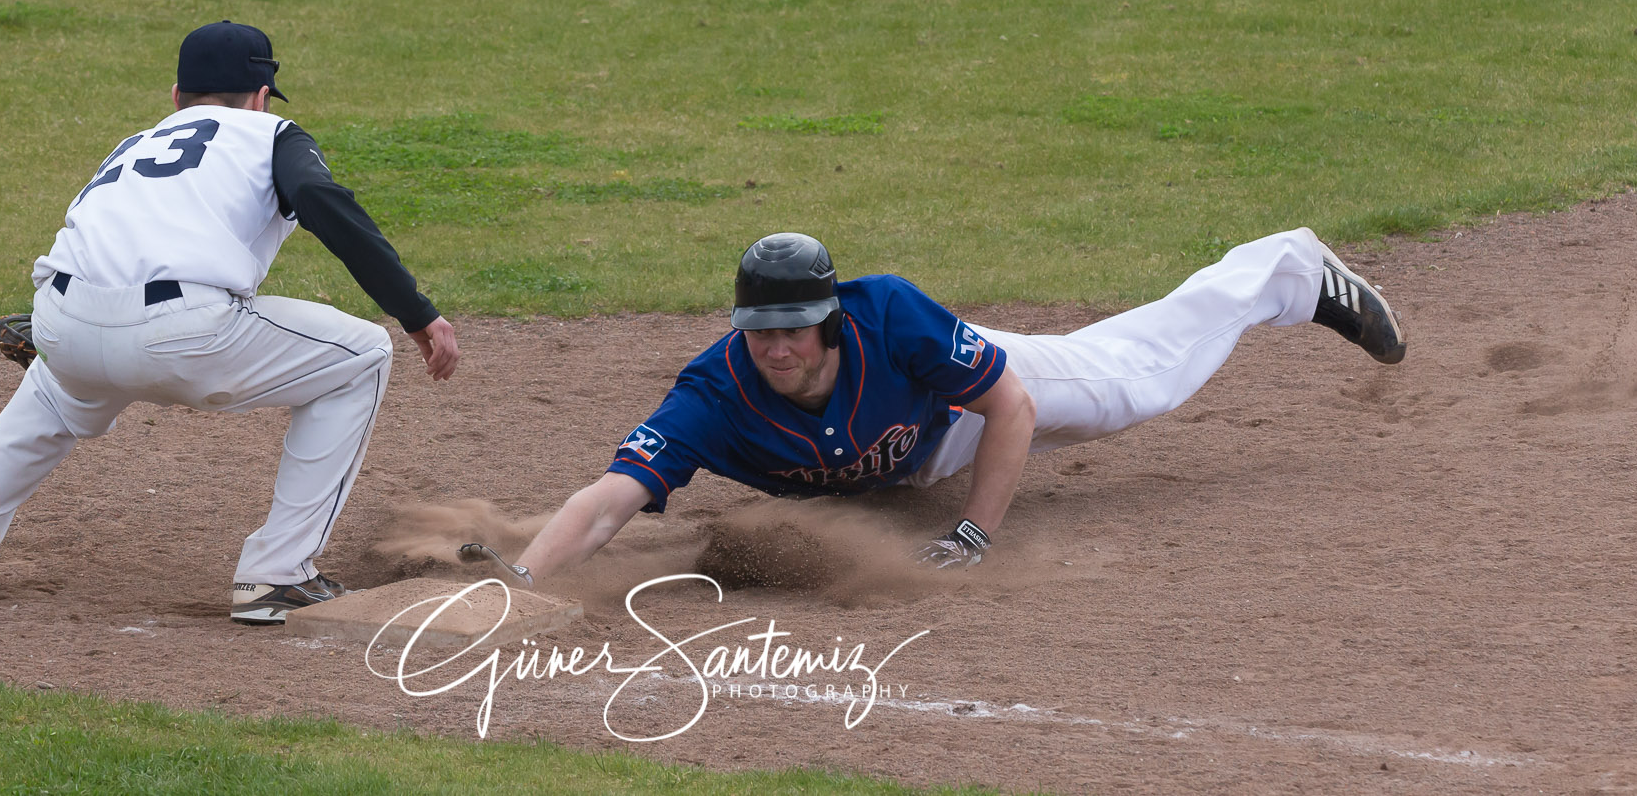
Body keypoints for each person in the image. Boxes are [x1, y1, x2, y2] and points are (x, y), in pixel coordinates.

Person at [0, 21, 460, 624]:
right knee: (362, 356)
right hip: (183, 332)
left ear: (176, 96)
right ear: (262, 96)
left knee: (58, 392)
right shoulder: (271, 135)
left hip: (60, 318)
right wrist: (415, 314)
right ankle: (279, 574)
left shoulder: (135, 144)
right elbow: (323, 202)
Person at [501, 228, 1403, 583]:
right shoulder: (715, 390)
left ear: (829, 318)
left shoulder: (888, 313)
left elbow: (1009, 403)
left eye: (794, 328)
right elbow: (610, 496)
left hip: (962, 408)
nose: (775, 346)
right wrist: (524, 583)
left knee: (1135, 382)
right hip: (902, 450)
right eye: (758, 329)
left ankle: (1284, 271)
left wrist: (972, 532)